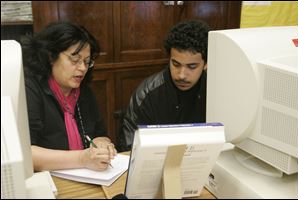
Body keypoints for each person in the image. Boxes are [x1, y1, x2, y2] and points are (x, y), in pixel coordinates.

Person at [21, 21, 117, 172]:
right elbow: (26, 153)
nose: (83, 68)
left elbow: (100, 134)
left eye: (87, 62)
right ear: (51, 57)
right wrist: (82, 159)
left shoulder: (84, 92)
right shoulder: (30, 90)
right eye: (75, 59)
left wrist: (102, 145)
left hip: (85, 177)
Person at [122, 20, 210, 149]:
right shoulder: (147, 93)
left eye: (192, 66)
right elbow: (128, 146)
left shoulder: (215, 89)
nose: (181, 75)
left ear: (206, 64)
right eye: (176, 64)